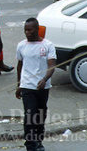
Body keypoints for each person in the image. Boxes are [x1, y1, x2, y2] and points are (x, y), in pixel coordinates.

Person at [15, 18, 56, 151]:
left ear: (37, 29)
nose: (26, 33)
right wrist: (19, 84)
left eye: (29, 30)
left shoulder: (48, 45)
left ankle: (38, 140)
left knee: (40, 114)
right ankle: (30, 144)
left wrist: (45, 79)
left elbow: (52, 65)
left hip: (43, 87)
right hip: (27, 86)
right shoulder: (21, 46)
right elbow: (19, 66)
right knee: (29, 115)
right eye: (25, 30)